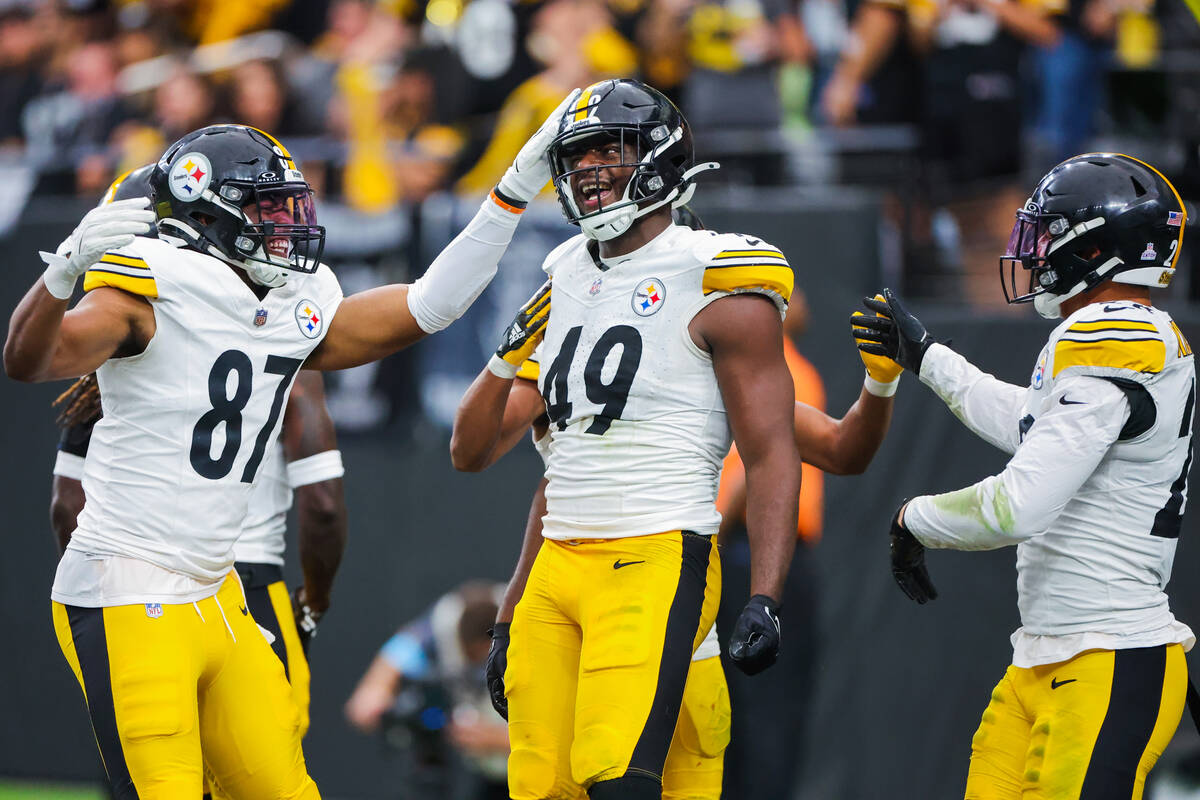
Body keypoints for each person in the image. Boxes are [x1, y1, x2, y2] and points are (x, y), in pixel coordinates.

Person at [4, 94, 578, 798]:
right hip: (127, 586)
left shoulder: (288, 308)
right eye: (269, 208)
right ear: (207, 211)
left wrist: (514, 189)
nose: (292, 224)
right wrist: (62, 273)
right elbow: (31, 361)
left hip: (218, 595)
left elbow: (434, 303)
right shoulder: (147, 286)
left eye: (290, 206)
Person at [447, 76, 803, 800]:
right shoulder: (563, 274)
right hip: (558, 567)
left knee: (618, 777)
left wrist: (766, 593)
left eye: (608, 150)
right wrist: (501, 354)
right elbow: (475, 452)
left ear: (661, 155)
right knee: (540, 787)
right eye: (577, 157)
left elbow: (771, 453)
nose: (588, 170)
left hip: (657, 550)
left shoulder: (719, 273)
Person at [853, 153, 1194, 798]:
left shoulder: (1114, 337)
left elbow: (1019, 506)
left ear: (1091, 248)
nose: (1032, 254)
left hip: (1108, 658)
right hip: (1048, 657)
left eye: (1046, 235)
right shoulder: (1115, 338)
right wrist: (926, 357)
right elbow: (1032, 426)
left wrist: (916, 520)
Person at [344, 582, 510, 800]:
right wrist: (379, 701)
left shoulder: (538, 628)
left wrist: (504, 738)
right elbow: (370, 695)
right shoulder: (440, 627)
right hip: (491, 775)